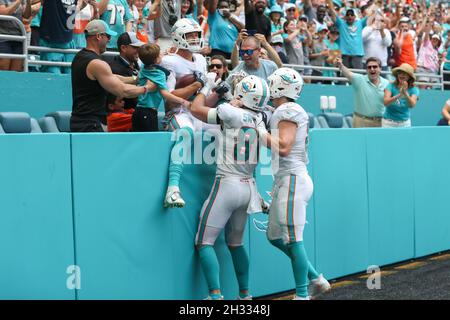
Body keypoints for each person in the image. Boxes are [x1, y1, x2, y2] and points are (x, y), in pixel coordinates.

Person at [189, 74, 270, 300]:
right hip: (248, 187)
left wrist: (205, 87)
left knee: (204, 242)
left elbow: (196, 110)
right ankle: (245, 294)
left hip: (227, 184)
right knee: (236, 243)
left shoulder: (230, 112)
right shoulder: (260, 118)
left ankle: (215, 295)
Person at [254, 67, 331, 300]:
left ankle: (301, 295)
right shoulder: (285, 109)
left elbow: (284, 147)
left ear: (279, 85)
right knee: (274, 236)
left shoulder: (287, 109)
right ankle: (316, 279)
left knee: (292, 238)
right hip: (286, 179)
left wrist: (258, 129)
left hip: (293, 179)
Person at [70, 19, 154, 132]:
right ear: (99, 36)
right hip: (90, 124)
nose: (109, 40)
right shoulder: (97, 63)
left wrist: (137, 79)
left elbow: (114, 77)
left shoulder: (79, 57)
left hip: (80, 121)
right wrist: (147, 88)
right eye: (108, 37)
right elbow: (122, 91)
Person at [161, 18, 209, 208]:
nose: (195, 39)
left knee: (230, 128)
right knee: (186, 133)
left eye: (196, 35)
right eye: (190, 35)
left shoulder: (201, 60)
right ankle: (172, 189)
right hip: (177, 113)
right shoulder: (169, 61)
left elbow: (204, 97)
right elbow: (170, 96)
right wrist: (198, 84)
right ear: (178, 36)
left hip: (198, 112)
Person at [134, 43, 191, 132]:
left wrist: (164, 53)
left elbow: (137, 79)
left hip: (138, 111)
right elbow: (165, 94)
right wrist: (183, 101)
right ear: (156, 59)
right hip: (148, 113)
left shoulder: (143, 67)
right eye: (160, 54)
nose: (162, 55)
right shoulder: (159, 74)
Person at [336, 56, 389, 128]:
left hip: (381, 122)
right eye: (369, 67)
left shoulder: (387, 83)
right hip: (361, 122)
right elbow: (348, 73)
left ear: (380, 69)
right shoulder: (359, 79)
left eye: (375, 67)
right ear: (366, 70)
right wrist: (340, 65)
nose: (372, 69)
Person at [106, 31, 144, 109]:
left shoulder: (135, 64)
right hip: (124, 117)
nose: (139, 50)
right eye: (135, 47)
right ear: (123, 48)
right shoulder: (114, 68)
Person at [326, 0, 369, 70]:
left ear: (355, 17)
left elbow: (371, 15)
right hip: (343, 55)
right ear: (345, 17)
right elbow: (332, 11)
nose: (350, 16)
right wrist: (330, 2)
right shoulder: (341, 24)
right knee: (343, 78)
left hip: (357, 55)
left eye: (352, 15)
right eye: (348, 15)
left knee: (358, 78)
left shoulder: (360, 23)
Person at [38, 0, 77, 74]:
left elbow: (71, 10)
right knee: (53, 76)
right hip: (50, 42)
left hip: (69, 41)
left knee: (69, 78)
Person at [382, 63, 419, 128]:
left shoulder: (414, 89)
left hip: (405, 123)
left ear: (409, 76)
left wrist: (405, 94)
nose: (401, 75)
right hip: (388, 122)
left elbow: (412, 105)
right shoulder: (390, 86)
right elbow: (385, 102)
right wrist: (398, 95)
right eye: (400, 73)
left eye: (404, 73)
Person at [0, 0, 31, 72]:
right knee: (4, 69)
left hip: (19, 38)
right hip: (3, 38)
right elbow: (3, 13)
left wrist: (28, 2)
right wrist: (19, 1)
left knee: (16, 71)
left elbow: (26, 16)